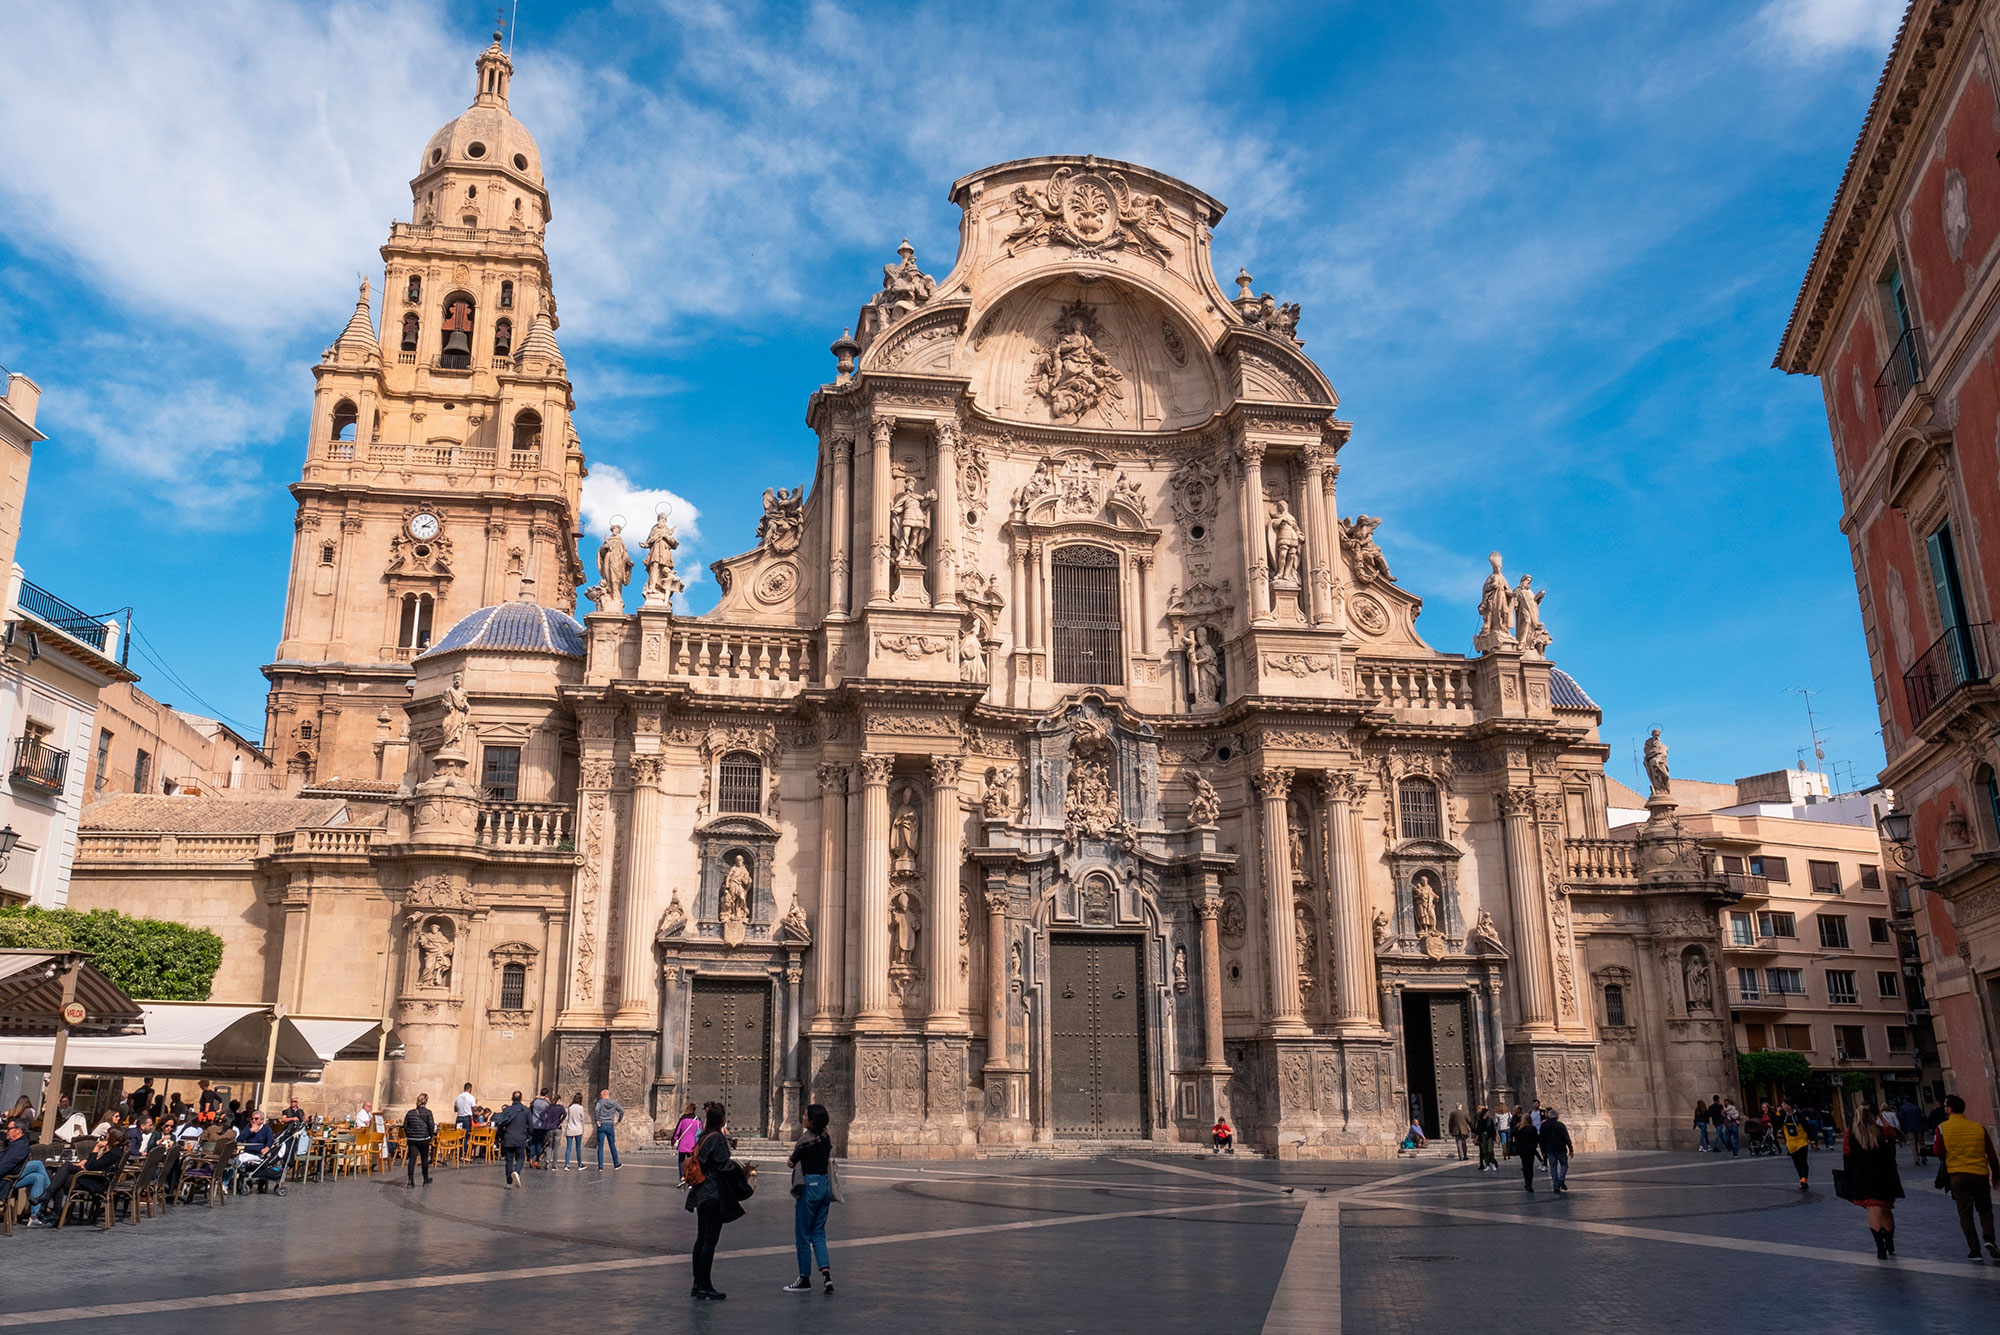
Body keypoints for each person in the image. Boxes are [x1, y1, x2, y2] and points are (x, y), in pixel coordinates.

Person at [685, 1102, 752, 1301]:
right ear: (722, 1120)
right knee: (709, 1241)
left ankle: (697, 1284)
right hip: (713, 1193)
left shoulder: (703, 1137)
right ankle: (705, 1285)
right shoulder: (718, 1139)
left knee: (701, 1239)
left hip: (700, 1192)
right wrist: (741, 1172)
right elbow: (723, 1166)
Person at [1933, 1094, 2000, 1260]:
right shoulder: (1978, 1127)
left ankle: (1974, 1249)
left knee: (1965, 1212)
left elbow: (1939, 1152)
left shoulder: (1942, 1128)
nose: (1944, 1108)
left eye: (1946, 1105)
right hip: (1980, 1174)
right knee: (1985, 1209)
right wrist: (1996, 1175)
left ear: (1950, 1109)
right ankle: (1989, 1239)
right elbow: (1991, 1154)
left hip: (1957, 1175)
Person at [784, 1103, 837, 1294]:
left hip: (809, 1187)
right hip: (824, 1186)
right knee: (819, 1233)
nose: (803, 1116)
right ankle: (826, 1276)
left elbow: (791, 1162)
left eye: (806, 1115)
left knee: (803, 1235)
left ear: (812, 1122)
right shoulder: (826, 1137)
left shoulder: (805, 1142)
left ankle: (804, 1278)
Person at [1842, 1102, 1904, 1259]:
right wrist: (1882, 1117)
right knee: (1886, 1210)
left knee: (1873, 1211)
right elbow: (1893, 1135)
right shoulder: (1881, 1131)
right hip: (1885, 1176)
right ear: (1873, 1116)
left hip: (1864, 1178)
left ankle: (1880, 1248)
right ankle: (1890, 1244)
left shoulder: (1850, 1133)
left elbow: (1847, 1155)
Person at [494, 1091, 530, 1187]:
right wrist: (528, 1136)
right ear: (522, 1099)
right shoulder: (526, 1110)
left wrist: (500, 1137)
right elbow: (530, 1125)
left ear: (512, 1098)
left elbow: (500, 1124)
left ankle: (509, 1182)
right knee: (521, 1157)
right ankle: (517, 1172)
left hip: (508, 1137)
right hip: (520, 1137)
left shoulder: (507, 1110)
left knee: (509, 1159)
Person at [403, 1093, 437, 1187]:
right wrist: (430, 1135)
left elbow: (405, 1126)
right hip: (423, 1138)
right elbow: (431, 1125)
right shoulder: (428, 1112)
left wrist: (409, 1134)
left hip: (412, 1139)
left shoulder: (410, 1112)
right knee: (424, 1159)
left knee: (412, 1160)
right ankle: (425, 1179)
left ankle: (410, 1180)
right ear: (426, 1102)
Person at [1779, 1100, 1811, 1191]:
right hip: (1790, 1143)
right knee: (1797, 1163)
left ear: (1789, 1106)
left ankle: (1804, 1179)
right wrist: (1777, 1113)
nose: (1782, 1106)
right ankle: (1802, 1178)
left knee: (1803, 1161)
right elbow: (1777, 1124)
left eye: (1784, 1104)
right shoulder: (1783, 1116)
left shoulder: (1799, 1115)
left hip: (1801, 1141)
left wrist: (1813, 1141)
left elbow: (1807, 1127)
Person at [1540, 1107, 1574, 1194]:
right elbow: (1566, 1138)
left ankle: (1555, 1186)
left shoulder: (1544, 1125)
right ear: (1557, 1117)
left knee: (1553, 1167)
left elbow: (1541, 1139)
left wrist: (1543, 1151)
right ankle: (1561, 1179)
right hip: (1560, 1149)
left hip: (1549, 1150)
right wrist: (1570, 1149)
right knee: (1564, 1165)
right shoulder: (1561, 1125)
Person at [594, 1088, 625, 1170]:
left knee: (600, 1146)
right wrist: (618, 1121)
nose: (600, 1096)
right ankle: (616, 1163)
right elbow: (622, 1111)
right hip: (610, 1124)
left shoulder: (600, 1102)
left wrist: (597, 1120)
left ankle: (600, 1166)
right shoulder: (614, 1103)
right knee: (612, 1145)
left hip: (602, 1124)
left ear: (604, 1095)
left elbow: (596, 1110)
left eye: (601, 1095)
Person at [1511, 1109, 1540, 1192]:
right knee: (1530, 1167)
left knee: (1525, 1165)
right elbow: (1537, 1138)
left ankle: (1526, 1183)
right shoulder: (1533, 1128)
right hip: (1530, 1150)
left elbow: (1512, 1134)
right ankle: (1529, 1184)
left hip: (1522, 1150)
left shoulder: (1519, 1128)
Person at [675, 1103, 704, 1177]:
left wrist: (673, 1140)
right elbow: (701, 1132)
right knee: (691, 1162)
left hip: (683, 1145)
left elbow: (677, 1132)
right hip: (693, 1145)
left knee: (681, 1161)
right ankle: (689, 1177)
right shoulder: (698, 1120)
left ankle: (682, 1177)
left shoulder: (683, 1119)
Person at [562, 1092, 588, 1170]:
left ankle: (567, 1165)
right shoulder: (580, 1108)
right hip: (577, 1129)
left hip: (570, 1128)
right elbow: (582, 1118)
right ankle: (580, 1164)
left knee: (568, 1148)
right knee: (578, 1148)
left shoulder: (570, 1107)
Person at [528, 1089, 552, 1169]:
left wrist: (535, 1098)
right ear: (546, 1094)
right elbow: (550, 1111)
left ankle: (530, 1159)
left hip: (534, 1124)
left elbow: (530, 1105)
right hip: (541, 1125)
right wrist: (549, 1102)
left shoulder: (535, 1102)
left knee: (533, 1143)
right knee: (539, 1144)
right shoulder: (545, 1104)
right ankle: (537, 1161)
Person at [1898, 1096, 1926, 1165]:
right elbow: (1922, 1117)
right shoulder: (1917, 1107)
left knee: (1913, 1143)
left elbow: (1901, 1118)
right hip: (1918, 1127)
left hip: (1909, 1128)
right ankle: (1923, 1156)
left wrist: (1902, 1128)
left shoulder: (1902, 1108)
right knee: (1921, 1143)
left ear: (1905, 1101)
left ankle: (1916, 1159)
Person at [1476, 1105, 1499, 1171]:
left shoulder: (1490, 1120)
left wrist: (1494, 1138)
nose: (1489, 1114)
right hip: (1482, 1136)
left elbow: (1493, 1130)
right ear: (1485, 1113)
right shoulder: (1480, 1120)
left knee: (1490, 1150)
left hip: (1489, 1136)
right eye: (1488, 1112)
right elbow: (1478, 1129)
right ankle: (1487, 1164)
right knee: (1484, 1151)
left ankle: (1492, 1163)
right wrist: (1479, 1134)